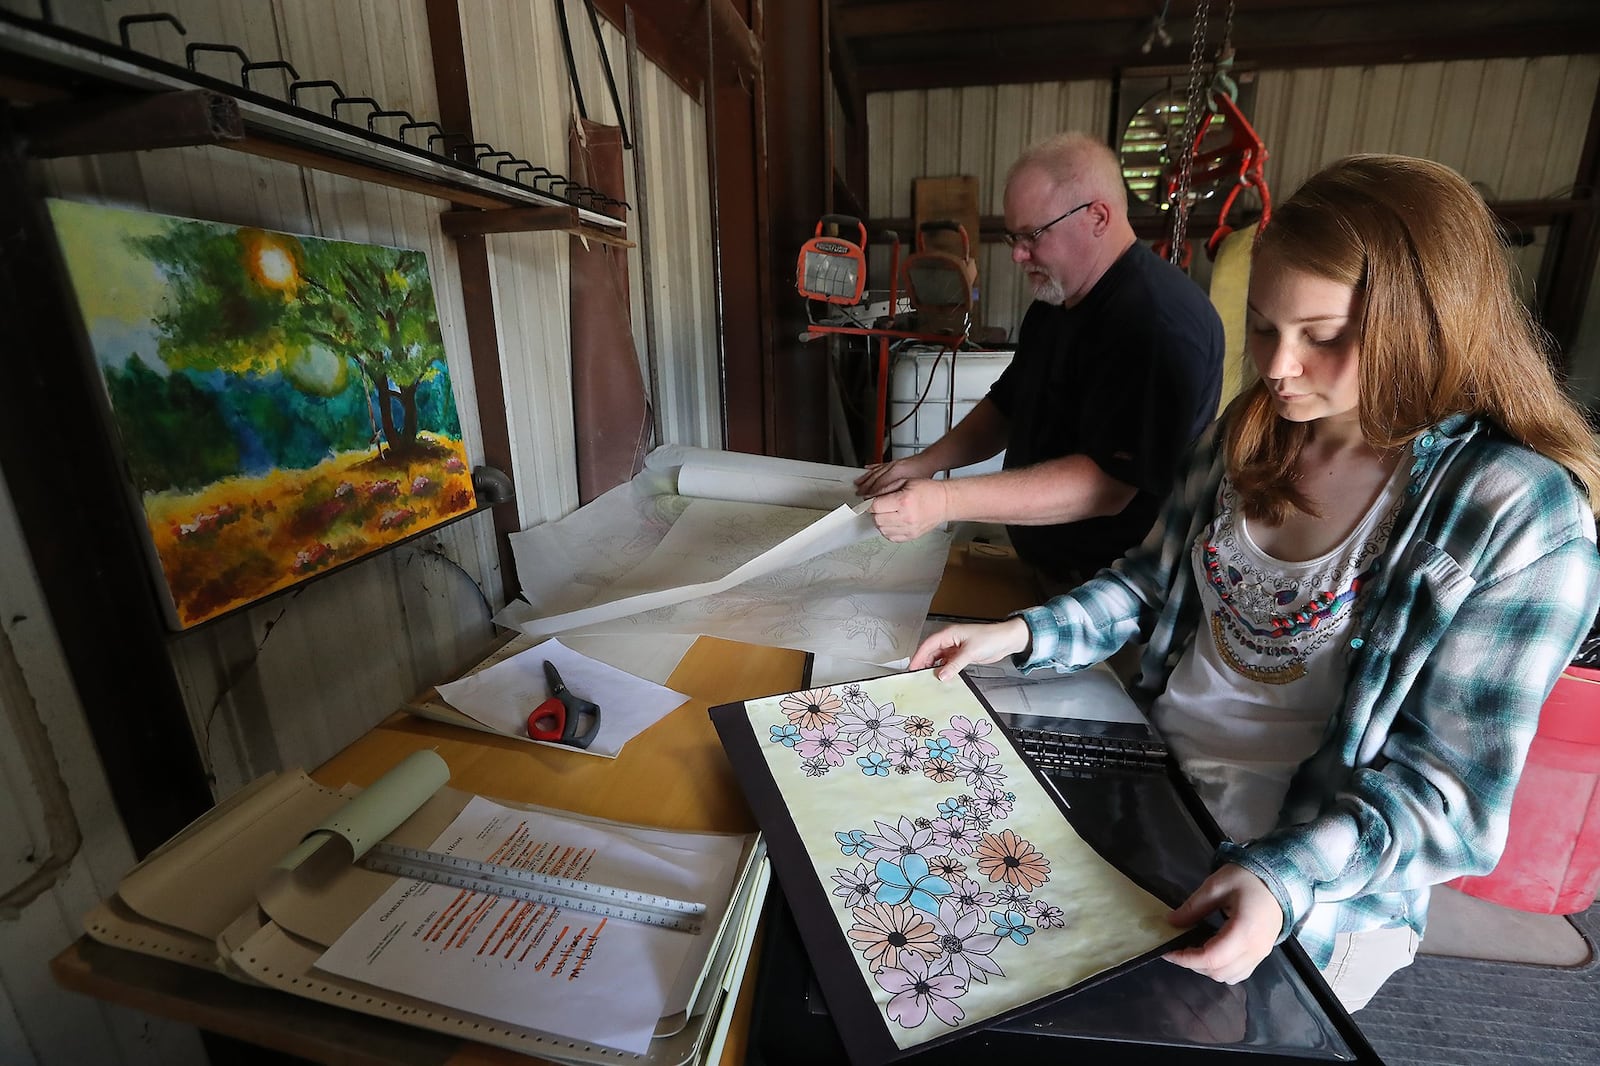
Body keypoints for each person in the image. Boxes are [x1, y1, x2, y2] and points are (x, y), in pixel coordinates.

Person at [908, 154, 1600, 1011]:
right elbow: (1153, 584)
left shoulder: (1517, 516)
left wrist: (1281, 882)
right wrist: (1019, 635)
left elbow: (1450, 799)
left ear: (1428, 326)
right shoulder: (1257, 432)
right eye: (1264, 327)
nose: (1277, 367)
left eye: (1323, 337)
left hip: (1318, 882)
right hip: (1157, 796)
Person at [855, 131, 1224, 589]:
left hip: (1110, 596)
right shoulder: (1055, 304)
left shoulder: (1155, 322)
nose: (1016, 254)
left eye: (1032, 235)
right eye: (1014, 236)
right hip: (1045, 570)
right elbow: (1008, 406)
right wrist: (924, 463)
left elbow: (1107, 487)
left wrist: (944, 501)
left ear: (1097, 216)